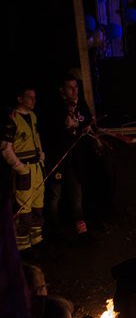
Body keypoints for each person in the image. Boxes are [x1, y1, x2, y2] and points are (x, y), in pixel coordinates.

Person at [39, 74, 95, 245]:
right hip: (58, 157)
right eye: (70, 87)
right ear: (62, 90)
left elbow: (87, 119)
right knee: (55, 196)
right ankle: (54, 232)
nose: (74, 90)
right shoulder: (55, 106)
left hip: (75, 159)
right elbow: (52, 128)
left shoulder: (80, 103)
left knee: (77, 195)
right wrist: (65, 125)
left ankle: (82, 232)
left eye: (76, 87)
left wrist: (78, 125)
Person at [1, 86, 45, 255]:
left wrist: (41, 154)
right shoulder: (12, 119)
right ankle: (23, 247)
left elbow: (36, 136)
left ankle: (37, 240)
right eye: (30, 97)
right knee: (24, 207)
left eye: (35, 97)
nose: (34, 100)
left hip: (36, 166)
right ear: (20, 98)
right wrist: (19, 167)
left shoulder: (33, 116)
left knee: (37, 204)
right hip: (24, 169)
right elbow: (5, 148)